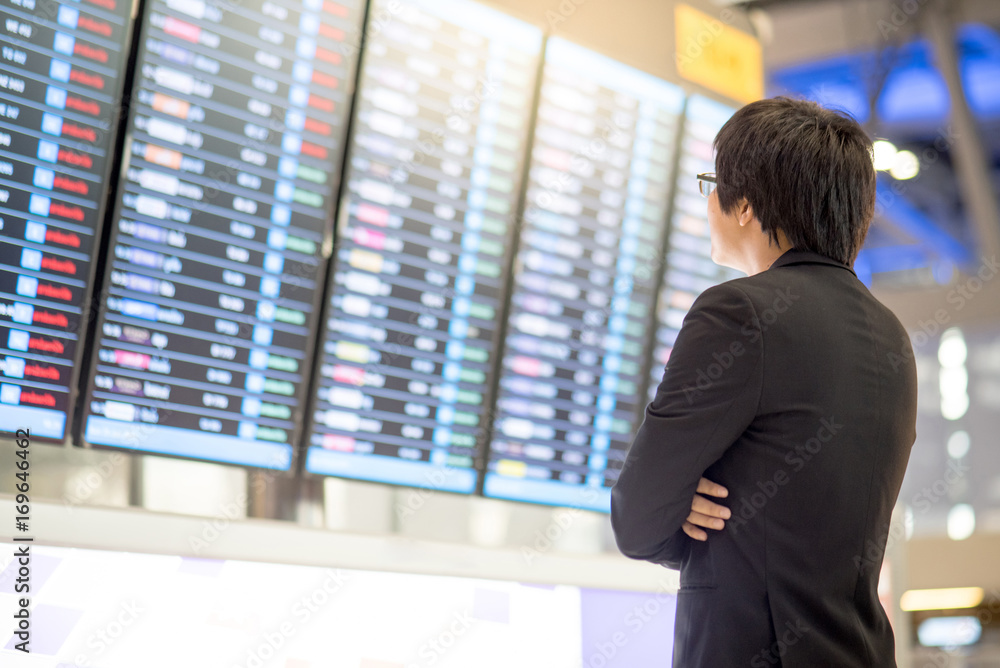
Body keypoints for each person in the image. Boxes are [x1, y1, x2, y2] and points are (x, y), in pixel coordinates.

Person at [611, 97, 918, 667]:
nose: (708, 202)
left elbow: (638, 519)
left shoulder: (737, 313)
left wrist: (679, 507)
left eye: (712, 185)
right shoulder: (889, 334)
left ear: (746, 204)